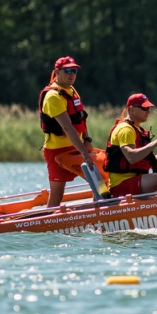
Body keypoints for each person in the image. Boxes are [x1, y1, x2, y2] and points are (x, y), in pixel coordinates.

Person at [39, 55, 95, 207]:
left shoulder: (71, 90)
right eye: (68, 71)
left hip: (76, 146)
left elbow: (81, 117)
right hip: (57, 151)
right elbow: (67, 127)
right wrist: (84, 153)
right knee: (57, 194)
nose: (72, 75)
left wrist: (87, 140)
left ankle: (99, 213)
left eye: (75, 71)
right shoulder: (53, 96)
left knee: (98, 180)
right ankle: (48, 224)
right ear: (57, 72)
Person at [103, 93, 157, 197]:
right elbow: (131, 157)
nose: (148, 112)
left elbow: (152, 163)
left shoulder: (138, 130)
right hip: (121, 185)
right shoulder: (125, 130)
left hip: (135, 181)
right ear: (131, 109)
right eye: (144, 108)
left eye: (149, 108)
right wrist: (156, 142)